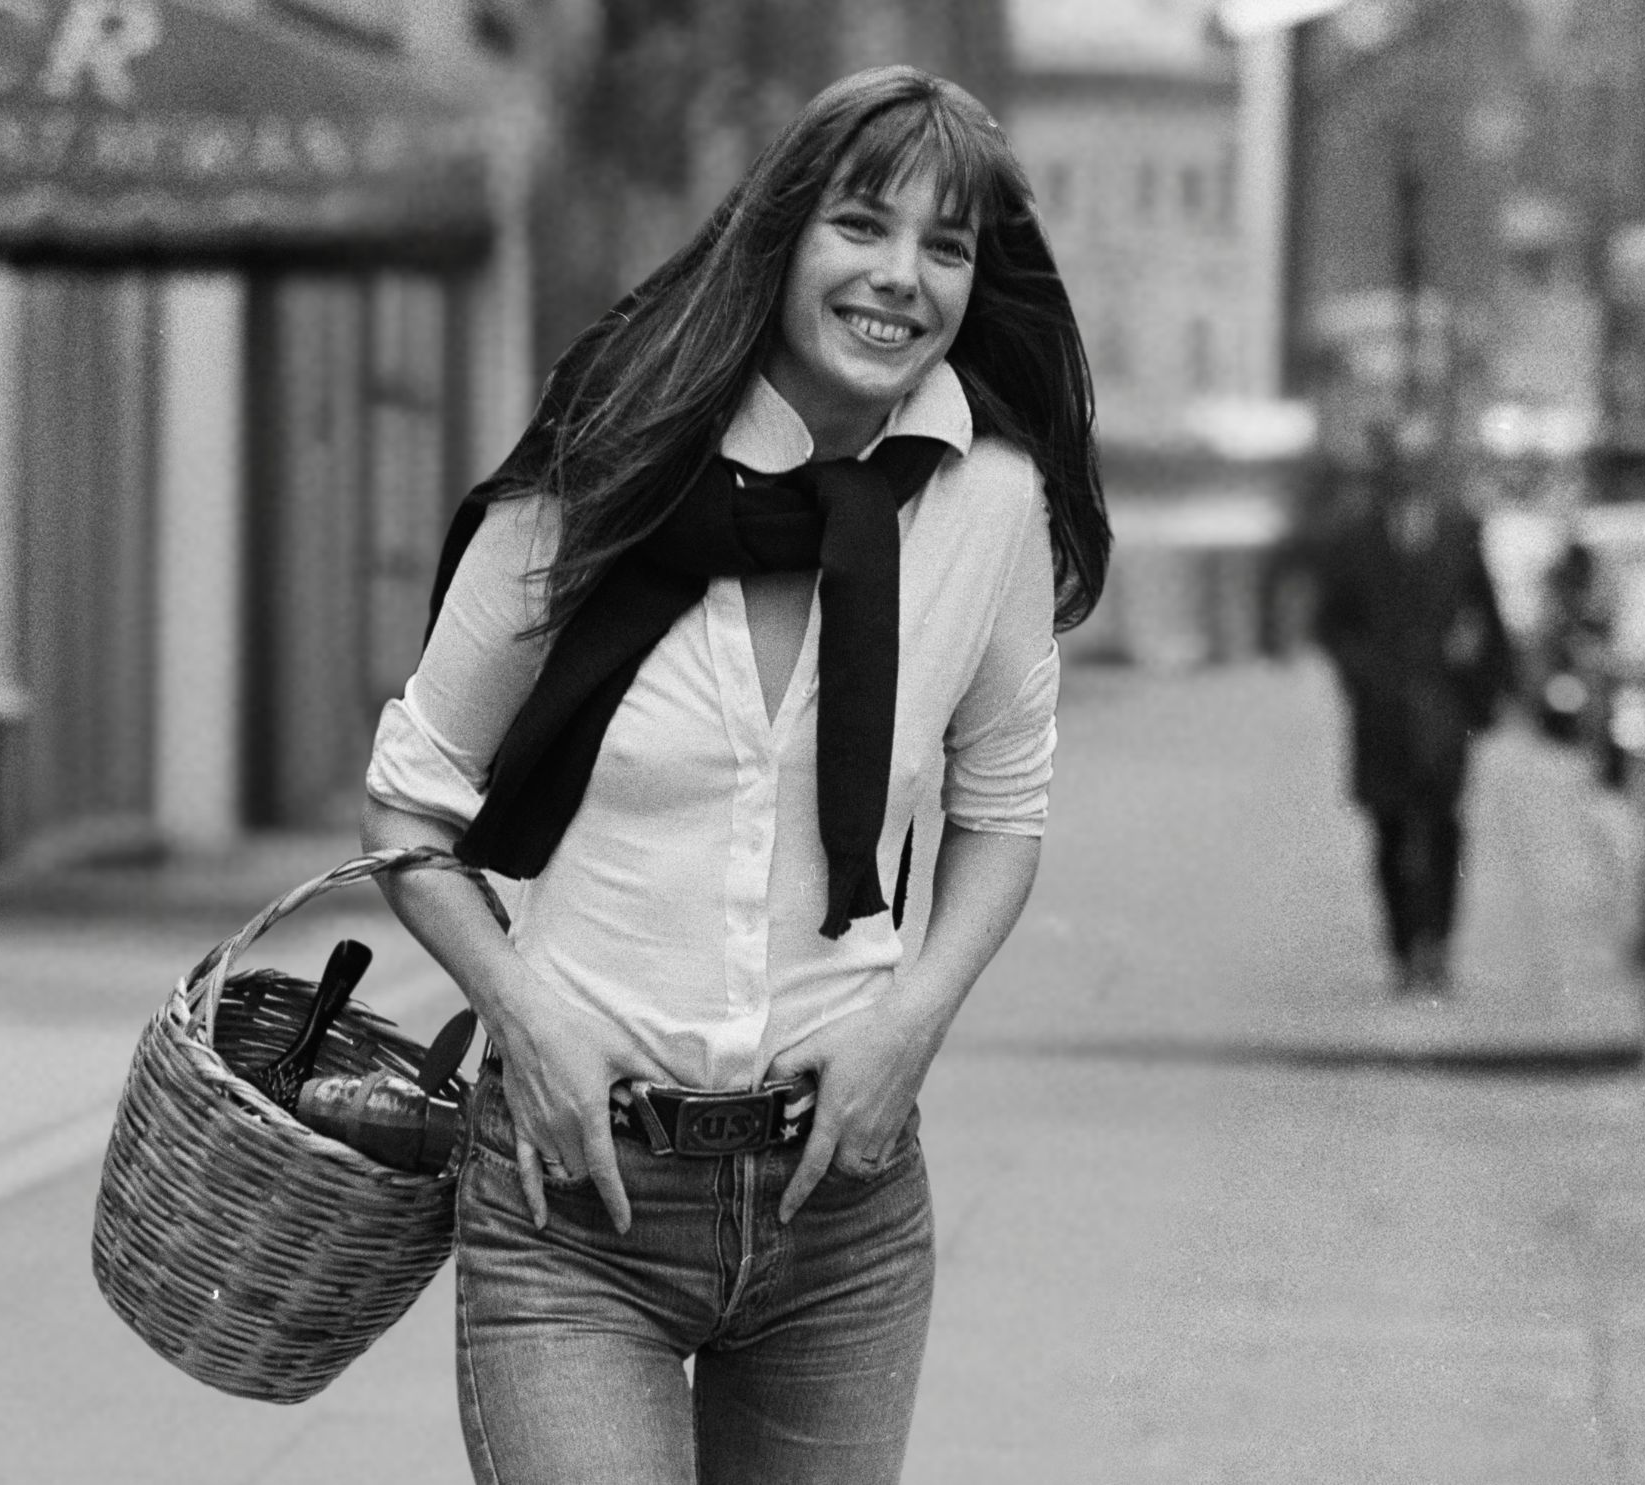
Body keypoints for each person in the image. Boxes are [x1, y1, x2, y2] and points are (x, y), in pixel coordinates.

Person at [359, 65, 1108, 1484]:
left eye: (945, 247)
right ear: (781, 237)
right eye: (861, 226)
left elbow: (1003, 814)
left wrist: (911, 1026)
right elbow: (411, 803)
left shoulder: (990, 503)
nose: (900, 278)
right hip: (577, 1198)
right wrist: (523, 1015)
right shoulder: (605, 474)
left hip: (844, 1205)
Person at [1307, 424, 1513, 997]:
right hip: (1380, 714)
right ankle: (1402, 949)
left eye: (1421, 466)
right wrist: (1363, 676)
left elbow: (1489, 619)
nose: (1411, 477)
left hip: (1443, 708)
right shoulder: (1355, 537)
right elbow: (1330, 624)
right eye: (1401, 467)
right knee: (1389, 829)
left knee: (1444, 827)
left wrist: (1482, 694)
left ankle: (1438, 948)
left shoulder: (1461, 531)